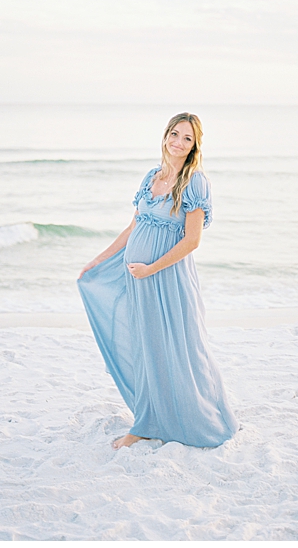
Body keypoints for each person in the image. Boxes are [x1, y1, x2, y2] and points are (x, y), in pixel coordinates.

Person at [77, 113, 237, 449]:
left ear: (195, 146)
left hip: (168, 279)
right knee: (147, 347)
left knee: (181, 347)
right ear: (165, 136)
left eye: (187, 138)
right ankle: (147, 421)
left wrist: (152, 269)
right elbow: (132, 228)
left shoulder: (194, 182)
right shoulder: (152, 177)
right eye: (174, 134)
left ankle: (198, 417)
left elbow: (192, 241)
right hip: (139, 279)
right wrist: (99, 259)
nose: (178, 142)